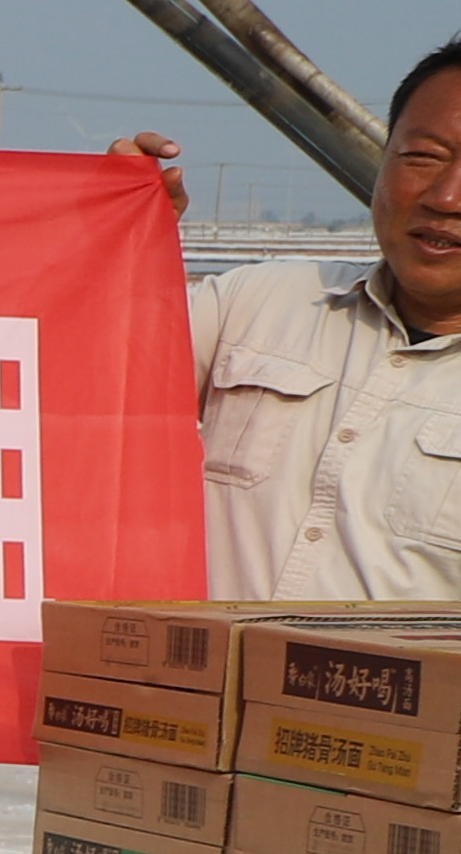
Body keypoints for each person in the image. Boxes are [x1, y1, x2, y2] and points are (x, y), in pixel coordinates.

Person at [143, 41, 461, 596]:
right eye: (423, 157)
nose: (447, 197)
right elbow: (64, 387)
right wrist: (116, 245)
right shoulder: (254, 302)